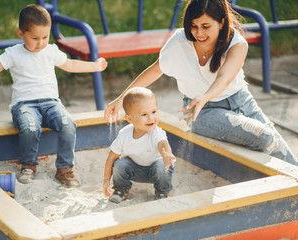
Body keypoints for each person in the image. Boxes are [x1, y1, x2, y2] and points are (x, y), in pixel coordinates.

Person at [104, 0, 297, 165]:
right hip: (202, 111)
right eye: (193, 26)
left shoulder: (236, 44)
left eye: (206, 26)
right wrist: (121, 99)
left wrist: (205, 96)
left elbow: (224, 77)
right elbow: (155, 69)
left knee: (288, 160)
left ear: (221, 23)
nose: (198, 33)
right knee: (265, 137)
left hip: (242, 103)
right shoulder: (180, 42)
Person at [0, 4, 108, 186]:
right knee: (29, 127)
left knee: (68, 124)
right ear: (21, 34)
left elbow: (71, 65)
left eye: (45, 36)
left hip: (52, 103)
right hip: (25, 105)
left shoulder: (50, 51)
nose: (41, 42)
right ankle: (28, 165)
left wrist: (95, 66)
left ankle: (65, 169)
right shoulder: (14, 53)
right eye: (35, 38)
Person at [103, 87, 176, 203]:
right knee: (120, 164)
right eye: (144, 114)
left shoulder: (156, 132)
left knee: (162, 166)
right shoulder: (124, 134)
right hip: (134, 170)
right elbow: (111, 157)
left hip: (155, 171)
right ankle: (121, 190)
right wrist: (106, 180)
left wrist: (166, 154)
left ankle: (162, 191)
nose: (151, 118)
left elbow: (162, 143)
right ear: (129, 119)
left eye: (154, 112)